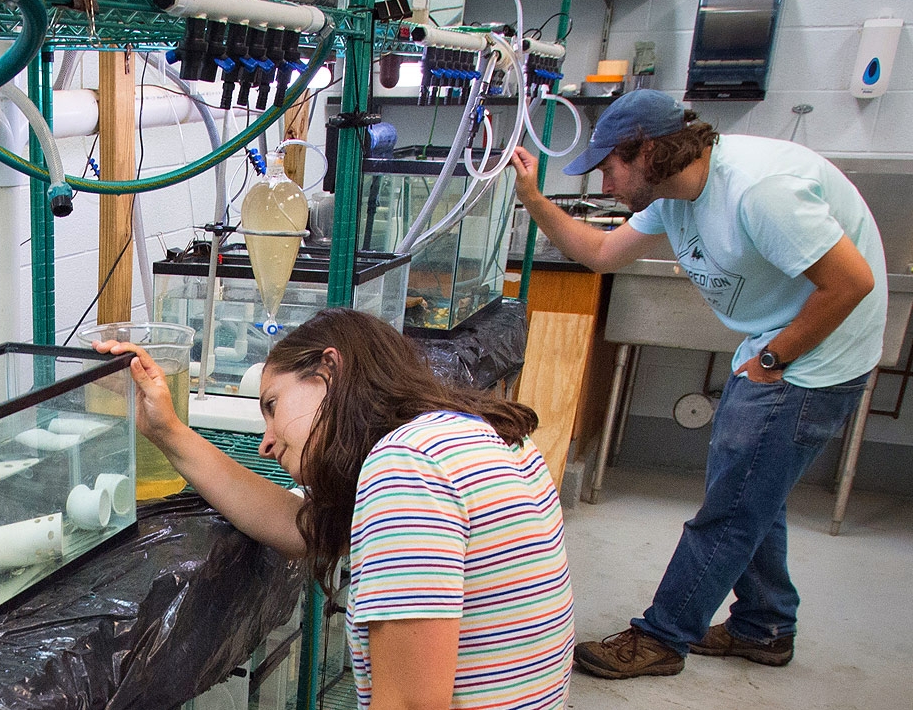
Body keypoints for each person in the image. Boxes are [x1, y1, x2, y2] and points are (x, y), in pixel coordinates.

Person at [510, 89, 887, 679]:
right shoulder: (675, 194)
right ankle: (764, 625)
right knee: (752, 488)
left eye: (611, 168)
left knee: (734, 506)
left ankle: (663, 636)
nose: (605, 185)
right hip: (776, 345)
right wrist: (532, 200)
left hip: (815, 360)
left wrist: (774, 358)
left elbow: (850, 283)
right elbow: (604, 252)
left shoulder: (759, 191)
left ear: (651, 151)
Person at [94, 308, 574, 710]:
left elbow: (409, 706)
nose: (264, 444)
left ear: (328, 371)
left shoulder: (405, 466)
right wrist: (166, 430)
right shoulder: (469, 434)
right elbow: (302, 528)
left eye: (273, 405)